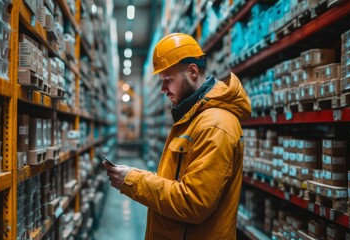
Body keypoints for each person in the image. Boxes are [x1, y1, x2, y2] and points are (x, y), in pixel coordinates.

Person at [103, 33, 251, 239]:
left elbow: (194, 203)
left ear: (192, 71)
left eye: (167, 80)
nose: (163, 89)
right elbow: (176, 180)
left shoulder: (215, 125)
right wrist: (137, 174)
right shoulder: (191, 119)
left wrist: (133, 181)